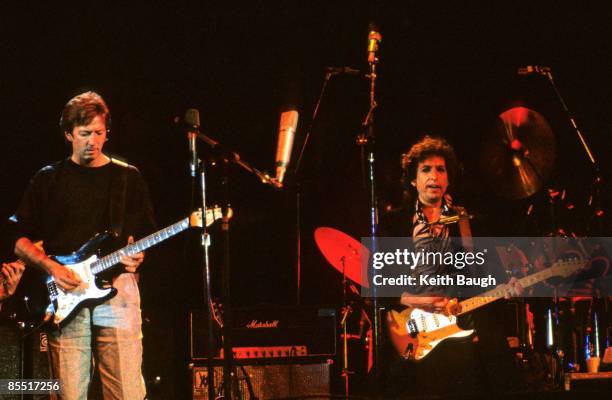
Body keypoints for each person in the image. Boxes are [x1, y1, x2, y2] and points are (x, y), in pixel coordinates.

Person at [12, 91, 155, 399]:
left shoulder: (128, 177)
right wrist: (50, 267)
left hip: (117, 290)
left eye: (99, 133)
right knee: (69, 393)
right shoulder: (48, 179)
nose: (93, 141)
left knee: (127, 391)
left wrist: (139, 255)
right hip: (65, 294)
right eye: (84, 133)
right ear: (68, 134)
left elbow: (145, 236)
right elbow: (17, 240)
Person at [379, 135, 523, 397]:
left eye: (441, 169)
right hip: (412, 332)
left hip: (460, 332)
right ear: (413, 179)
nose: (434, 175)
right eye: (426, 169)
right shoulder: (395, 222)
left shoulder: (467, 223)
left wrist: (505, 286)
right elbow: (381, 284)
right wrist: (419, 301)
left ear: (448, 178)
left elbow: (482, 277)